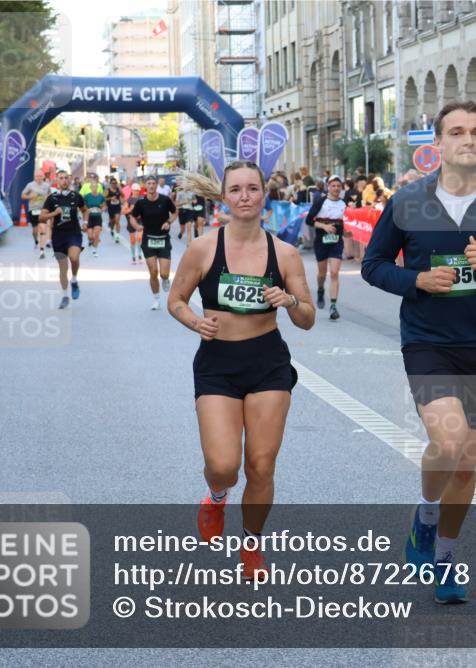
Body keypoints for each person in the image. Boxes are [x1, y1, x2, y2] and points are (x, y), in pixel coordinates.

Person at [362, 100, 476, 604]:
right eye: (457, 132)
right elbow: (374, 265)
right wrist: (416, 279)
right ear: (438, 144)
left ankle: (442, 557)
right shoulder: (408, 200)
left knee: (465, 466)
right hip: (427, 341)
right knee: (447, 443)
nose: (468, 140)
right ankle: (426, 512)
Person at [168, 163, 314, 580]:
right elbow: (176, 300)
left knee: (262, 465)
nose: (245, 195)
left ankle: (252, 543)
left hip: (268, 362)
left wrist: (287, 300)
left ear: (264, 194)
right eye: (237, 189)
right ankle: (217, 496)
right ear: (224, 197)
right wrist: (195, 321)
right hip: (217, 364)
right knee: (223, 465)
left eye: (253, 188)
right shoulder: (203, 248)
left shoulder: (283, 254)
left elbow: (307, 318)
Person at [39, 171, 87, 309]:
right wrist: (55, 213)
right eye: (61, 178)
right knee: (63, 267)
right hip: (58, 235)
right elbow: (42, 218)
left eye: (66, 178)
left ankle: (74, 279)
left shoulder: (76, 196)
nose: (64, 181)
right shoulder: (52, 198)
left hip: (74, 232)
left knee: (74, 257)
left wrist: (85, 223)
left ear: (70, 180)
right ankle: (65, 295)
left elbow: (85, 210)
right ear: (57, 180)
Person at [130, 176, 178, 310]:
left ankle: (166, 279)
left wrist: (168, 222)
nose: (151, 185)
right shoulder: (141, 203)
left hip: (163, 240)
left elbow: (175, 213)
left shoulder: (165, 200)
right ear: (145, 186)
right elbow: (132, 217)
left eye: (153, 183)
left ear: (157, 185)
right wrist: (136, 226)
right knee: (153, 272)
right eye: (149, 183)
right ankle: (156, 299)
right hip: (148, 240)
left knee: (163, 274)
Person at [307, 175, 347, 319]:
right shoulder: (320, 202)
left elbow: (347, 221)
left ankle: (333, 306)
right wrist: (324, 226)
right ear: (328, 187)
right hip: (321, 241)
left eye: (338, 186)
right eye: (333, 186)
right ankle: (320, 289)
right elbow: (309, 220)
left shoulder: (344, 203)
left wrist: (347, 231)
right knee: (322, 274)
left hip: (336, 242)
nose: (336, 188)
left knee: (335, 273)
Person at [22, 170, 53, 258]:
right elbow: (23, 195)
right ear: (35, 177)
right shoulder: (30, 185)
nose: (38, 178)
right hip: (33, 209)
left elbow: (50, 195)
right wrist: (30, 196)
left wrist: (48, 198)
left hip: (43, 209)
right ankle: (36, 240)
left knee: (42, 228)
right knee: (35, 230)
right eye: (37, 176)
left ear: (43, 177)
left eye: (40, 176)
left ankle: (42, 250)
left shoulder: (47, 186)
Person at [83, 180, 107, 257]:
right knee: (90, 236)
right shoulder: (87, 196)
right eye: (93, 187)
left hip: (97, 217)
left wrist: (102, 209)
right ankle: (91, 241)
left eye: (95, 186)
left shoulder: (101, 196)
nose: (94, 188)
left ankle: (94, 249)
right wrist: (87, 209)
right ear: (90, 188)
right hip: (89, 217)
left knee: (96, 235)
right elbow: (83, 206)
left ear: (97, 187)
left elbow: (104, 205)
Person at [126, 183, 144, 264]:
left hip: (140, 220)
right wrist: (130, 209)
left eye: (137, 190)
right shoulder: (129, 200)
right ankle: (133, 256)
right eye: (135, 190)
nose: (136, 192)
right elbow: (123, 211)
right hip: (131, 221)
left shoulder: (142, 199)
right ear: (132, 190)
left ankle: (139, 255)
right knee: (133, 240)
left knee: (139, 238)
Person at [105, 176, 124, 243]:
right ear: (110, 184)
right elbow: (104, 199)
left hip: (117, 207)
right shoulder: (108, 190)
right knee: (112, 222)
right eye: (113, 183)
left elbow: (123, 195)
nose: (114, 184)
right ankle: (112, 229)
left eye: (115, 183)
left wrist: (122, 200)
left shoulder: (118, 190)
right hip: (111, 208)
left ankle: (117, 236)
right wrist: (110, 198)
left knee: (117, 221)